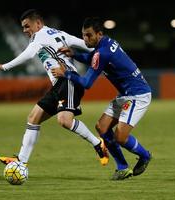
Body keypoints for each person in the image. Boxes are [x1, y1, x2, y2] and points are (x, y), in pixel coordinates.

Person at [0, 9, 109, 167]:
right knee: (33, 118)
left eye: (27, 26)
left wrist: (4, 67)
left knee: (64, 120)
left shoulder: (39, 36)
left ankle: (98, 144)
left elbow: (29, 54)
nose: (25, 30)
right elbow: (86, 45)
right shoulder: (59, 33)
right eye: (23, 27)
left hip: (68, 80)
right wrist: (107, 53)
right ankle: (21, 161)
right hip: (59, 85)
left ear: (38, 23)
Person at [52, 17, 152, 180]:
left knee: (120, 137)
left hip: (137, 95)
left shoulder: (102, 52)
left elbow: (86, 83)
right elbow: (94, 59)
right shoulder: (105, 44)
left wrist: (66, 73)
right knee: (102, 127)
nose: (85, 39)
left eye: (89, 35)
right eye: (83, 35)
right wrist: (75, 54)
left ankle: (145, 155)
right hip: (126, 94)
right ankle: (122, 168)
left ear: (99, 34)